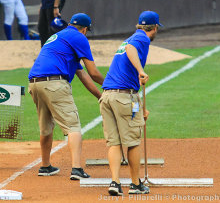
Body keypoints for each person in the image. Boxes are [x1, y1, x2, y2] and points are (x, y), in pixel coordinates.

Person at [28, 13, 104, 180]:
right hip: (54, 83)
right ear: (84, 29)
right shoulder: (79, 38)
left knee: (45, 126)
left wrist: (100, 95)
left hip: (34, 83)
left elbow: (82, 75)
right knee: (73, 126)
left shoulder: (59, 37)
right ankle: (76, 168)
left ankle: (45, 166)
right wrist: (111, 86)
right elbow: (93, 73)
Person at [99, 11, 162, 196]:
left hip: (108, 97)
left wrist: (142, 107)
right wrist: (141, 70)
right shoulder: (141, 39)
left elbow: (129, 82)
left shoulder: (129, 38)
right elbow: (131, 50)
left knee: (114, 142)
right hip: (123, 97)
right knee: (133, 141)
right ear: (155, 27)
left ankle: (115, 183)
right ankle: (135, 184)